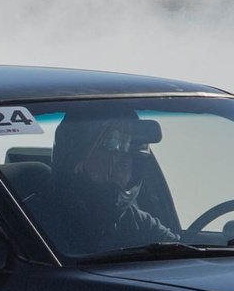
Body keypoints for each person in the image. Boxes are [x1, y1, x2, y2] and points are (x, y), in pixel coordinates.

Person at [32, 110, 178, 256]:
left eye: (124, 164)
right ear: (74, 160)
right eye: (106, 159)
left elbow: (181, 257)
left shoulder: (136, 222)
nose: (116, 173)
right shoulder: (31, 220)